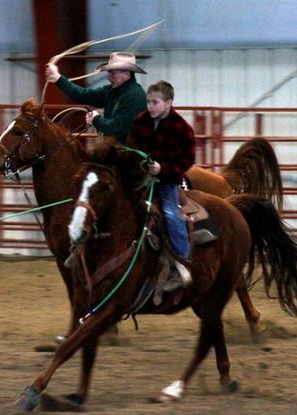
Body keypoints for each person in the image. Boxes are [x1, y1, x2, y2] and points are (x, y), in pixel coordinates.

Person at [127, 80, 196, 292]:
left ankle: (182, 261)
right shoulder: (140, 121)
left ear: (168, 103)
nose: (150, 106)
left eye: (155, 102)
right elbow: (130, 148)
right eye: (148, 102)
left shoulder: (182, 128)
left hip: (166, 182)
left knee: (169, 213)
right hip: (140, 181)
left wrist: (163, 169)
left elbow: (187, 160)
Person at [45, 52, 147, 144]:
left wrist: (96, 119)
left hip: (130, 155)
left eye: (112, 73)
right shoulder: (111, 91)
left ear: (127, 73)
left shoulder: (135, 96)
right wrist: (58, 78)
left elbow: (117, 127)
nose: (108, 77)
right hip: (115, 151)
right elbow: (83, 95)